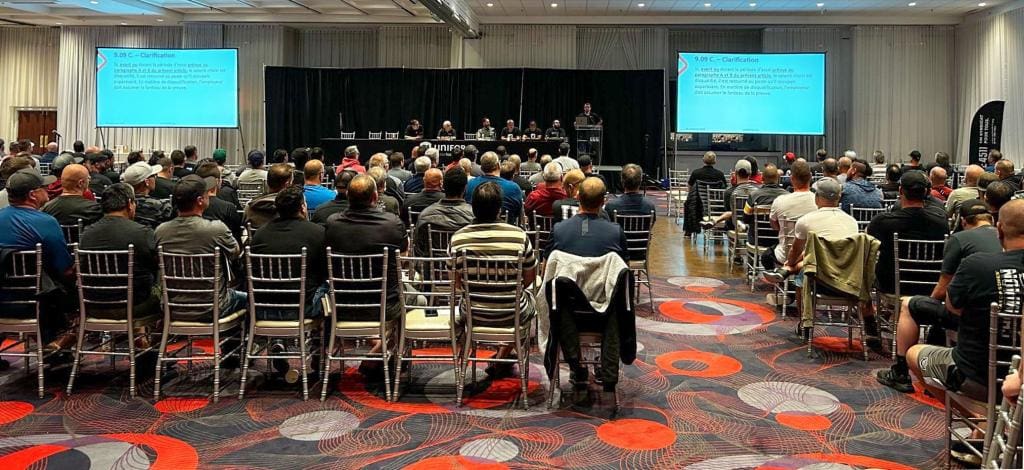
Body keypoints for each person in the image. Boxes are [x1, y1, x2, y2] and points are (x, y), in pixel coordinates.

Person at [902, 200, 1024, 461]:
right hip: (1018, 379)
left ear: (999, 230)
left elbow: (953, 308)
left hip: (977, 376)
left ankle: (983, 423)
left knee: (914, 354)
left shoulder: (977, 265)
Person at [876, 199, 1002, 393]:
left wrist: (929, 305)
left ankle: (901, 372)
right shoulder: (1006, 240)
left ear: (963, 222)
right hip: (1005, 320)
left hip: (970, 317)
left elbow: (942, 291)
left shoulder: (961, 240)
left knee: (909, 305)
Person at [543, 177, 629, 396]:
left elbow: (547, 272)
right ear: (603, 201)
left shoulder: (560, 231)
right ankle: (607, 370)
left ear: (577, 197)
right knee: (615, 299)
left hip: (568, 314)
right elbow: (623, 276)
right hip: (605, 315)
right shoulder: (615, 232)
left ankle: (576, 365)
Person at [450, 181, 538, 378]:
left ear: (472, 207)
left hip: (473, 313)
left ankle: (501, 356)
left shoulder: (458, 238)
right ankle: (502, 355)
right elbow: (529, 279)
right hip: (513, 311)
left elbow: (456, 284)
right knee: (533, 299)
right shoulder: (518, 236)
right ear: (500, 208)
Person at [325, 175, 408, 378]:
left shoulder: (332, 224)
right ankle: (385, 353)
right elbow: (404, 259)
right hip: (384, 305)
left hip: (341, 304)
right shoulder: (392, 223)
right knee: (418, 299)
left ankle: (376, 352)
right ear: (375, 196)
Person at [763, 179, 860, 331]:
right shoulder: (852, 222)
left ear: (817, 198)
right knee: (813, 256)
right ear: (839, 198)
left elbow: (795, 251)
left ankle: (805, 323)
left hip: (819, 280)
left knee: (806, 269)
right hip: (849, 279)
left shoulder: (806, 221)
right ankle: (788, 271)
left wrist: (789, 264)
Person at [0, 167, 76, 346]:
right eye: (44, 187)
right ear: (33, 195)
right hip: (34, 303)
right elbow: (65, 269)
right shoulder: (45, 222)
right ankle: (57, 341)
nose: (49, 189)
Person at [155, 175, 246, 322]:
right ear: (200, 200)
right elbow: (235, 252)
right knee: (249, 298)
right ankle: (241, 343)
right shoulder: (216, 229)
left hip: (172, 306)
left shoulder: (161, 231)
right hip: (213, 307)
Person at [79, 183, 161, 322]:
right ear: (130, 204)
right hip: (135, 306)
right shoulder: (142, 232)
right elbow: (156, 265)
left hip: (92, 306)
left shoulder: (86, 233)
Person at [867, 170, 949, 300]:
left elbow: (868, 251)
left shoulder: (881, 222)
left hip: (891, 286)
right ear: (927, 193)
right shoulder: (941, 223)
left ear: (900, 191)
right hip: (929, 288)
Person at [251, 185, 327, 322]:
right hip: (304, 308)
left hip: (264, 308)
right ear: (303, 207)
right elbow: (325, 271)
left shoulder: (259, 234)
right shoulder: (318, 233)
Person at [763, 161, 818, 271]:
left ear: (791, 178)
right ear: (811, 178)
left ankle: (781, 278)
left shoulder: (780, 201)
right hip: (812, 254)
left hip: (785, 254)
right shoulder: (819, 202)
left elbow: (774, 226)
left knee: (765, 257)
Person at [413, 167, 474, 257]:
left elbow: (418, 248)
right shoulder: (473, 216)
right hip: (462, 267)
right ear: (465, 188)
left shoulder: (425, 215)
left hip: (432, 268)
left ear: (443, 186)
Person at [705, 159, 760, 232]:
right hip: (754, 228)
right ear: (750, 174)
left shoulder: (729, 192)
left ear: (736, 173)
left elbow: (729, 212)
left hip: (733, 228)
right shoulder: (758, 191)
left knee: (730, 215)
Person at [465, 152, 523, 219]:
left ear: (481, 168)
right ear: (498, 165)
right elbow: (518, 213)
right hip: (506, 228)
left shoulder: (470, 184)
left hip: (475, 228)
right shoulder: (513, 188)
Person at [196, 162, 243, 242]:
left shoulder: (191, 206)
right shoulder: (228, 208)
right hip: (223, 251)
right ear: (217, 181)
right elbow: (236, 237)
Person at [121, 161, 173, 229]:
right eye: (153, 176)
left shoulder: (120, 206)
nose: (155, 178)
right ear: (147, 182)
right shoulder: (162, 207)